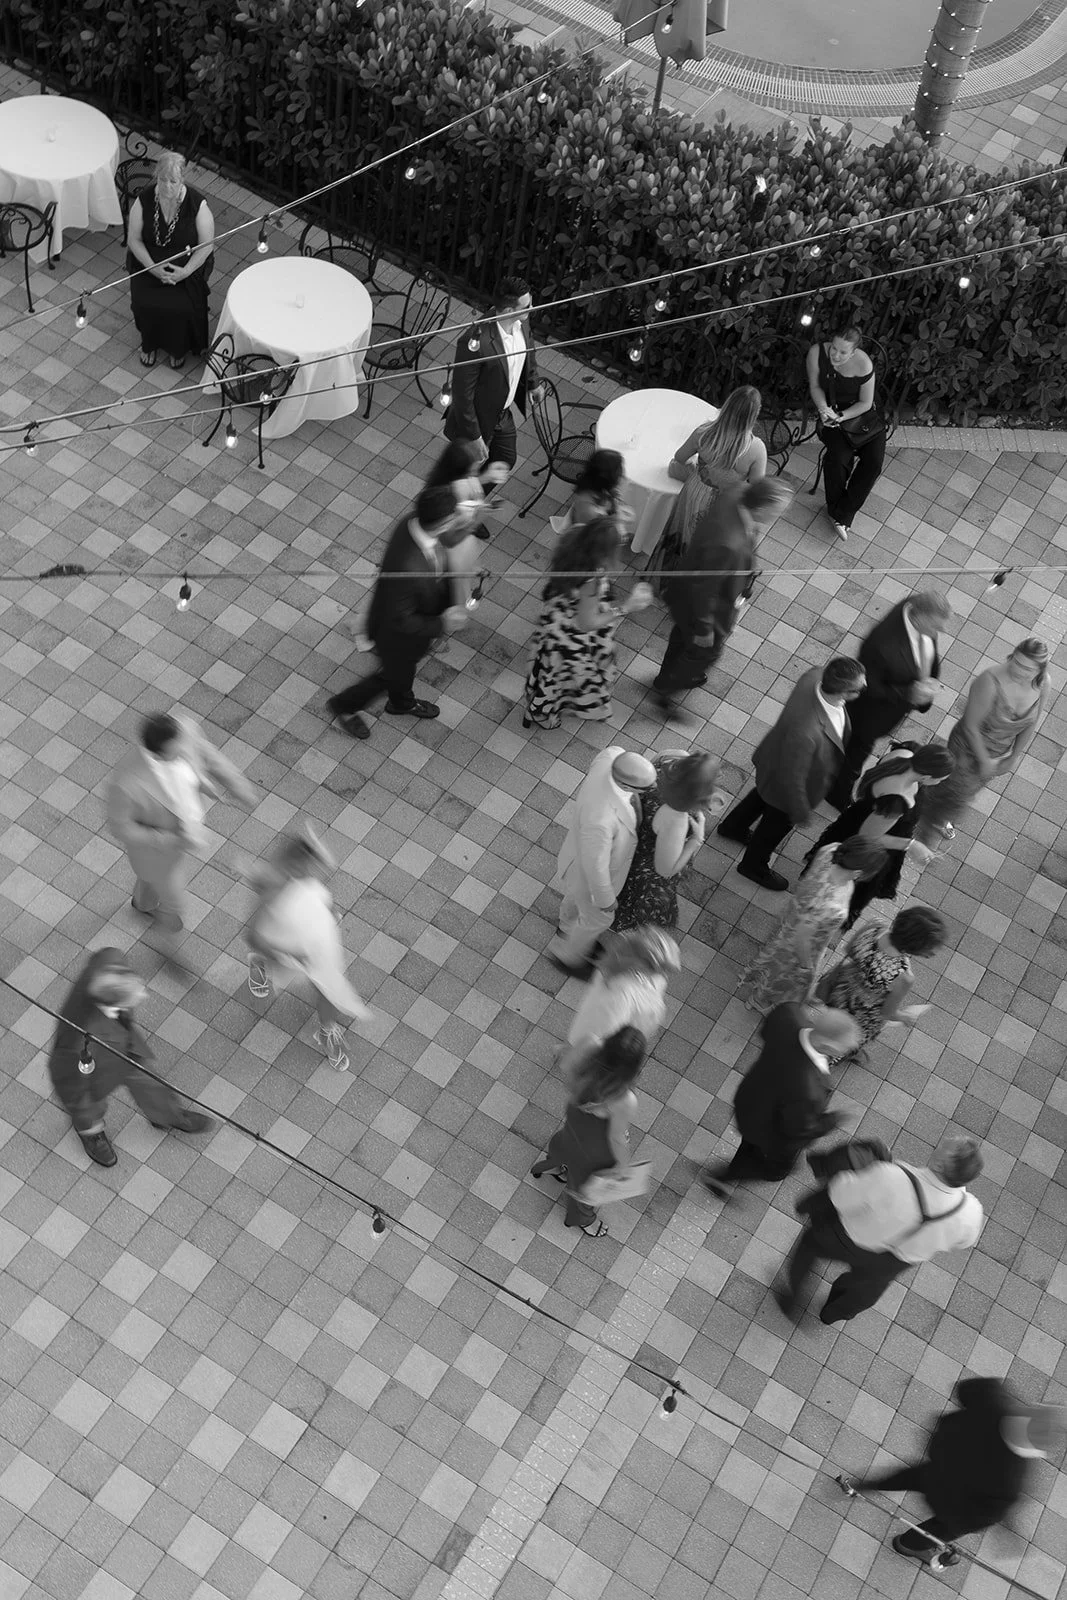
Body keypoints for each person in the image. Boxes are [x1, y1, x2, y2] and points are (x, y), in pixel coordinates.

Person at [844, 1381, 1065, 1567]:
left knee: (907, 1477)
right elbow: (986, 1516)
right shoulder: (1013, 1478)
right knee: (940, 1529)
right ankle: (908, 1545)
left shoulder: (994, 1403)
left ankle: (864, 1485)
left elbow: (968, 1388)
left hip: (938, 1466)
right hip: (954, 1504)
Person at [777, 1135, 984, 1324]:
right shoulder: (971, 1213)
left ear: (939, 1165)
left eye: (944, 1144)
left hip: (846, 1238)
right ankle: (833, 1313)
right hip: (894, 1262)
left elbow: (840, 1196)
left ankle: (793, 1297)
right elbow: (964, 1242)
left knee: (809, 1245)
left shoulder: (891, 1175)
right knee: (863, 1290)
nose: (942, 1141)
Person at [326, 485, 475, 738]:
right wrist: (442, 623)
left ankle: (401, 701)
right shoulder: (407, 567)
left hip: (406, 624)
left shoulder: (413, 523)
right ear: (442, 522)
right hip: (396, 637)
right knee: (390, 676)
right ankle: (344, 705)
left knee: (401, 674)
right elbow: (401, 620)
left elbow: (440, 555)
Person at [47, 948, 212, 1168]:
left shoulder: (109, 965)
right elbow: (70, 1086)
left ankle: (167, 1114)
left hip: (122, 1045)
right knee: (87, 1104)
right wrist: (85, 1117)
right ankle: (91, 1131)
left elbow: (107, 957)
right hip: (94, 1065)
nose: (139, 997)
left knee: (148, 1081)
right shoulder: (77, 1041)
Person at [717, 656, 867, 892]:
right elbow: (793, 779)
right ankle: (753, 865)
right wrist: (799, 811)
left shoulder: (814, 677)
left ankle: (733, 827)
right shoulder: (807, 731)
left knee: (760, 796)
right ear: (844, 693)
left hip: (776, 760)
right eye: (860, 687)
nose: (865, 688)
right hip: (789, 783)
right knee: (773, 826)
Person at [653, 478, 794, 715]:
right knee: (706, 651)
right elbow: (704, 590)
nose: (780, 516)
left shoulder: (737, 492)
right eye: (777, 512)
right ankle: (667, 689)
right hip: (700, 608)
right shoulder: (728, 545)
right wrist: (704, 629)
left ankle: (665, 677)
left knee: (680, 639)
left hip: (684, 593)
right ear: (760, 509)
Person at [106, 710, 256, 933]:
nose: (181, 753)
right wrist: (169, 839)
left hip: (185, 829)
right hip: (157, 850)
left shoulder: (184, 729)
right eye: (173, 753)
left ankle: (144, 903)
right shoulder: (125, 784)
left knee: (150, 882)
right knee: (175, 901)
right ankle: (166, 939)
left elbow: (207, 755)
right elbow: (121, 828)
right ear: (155, 754)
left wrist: (237, 785)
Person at [244, 826, 372, 1073]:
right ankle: (260, 963)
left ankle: (326, 1030)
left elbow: (319, 896)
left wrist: (329, 913)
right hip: (286, 945)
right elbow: (253, 935)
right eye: (311, 864)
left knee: (329, 988)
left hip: (315, 946)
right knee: (301, 974)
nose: (316, 870)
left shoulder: (306, 878)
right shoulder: (272, 887)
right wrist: (288, 954)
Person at [702, 1003, 862, 1196]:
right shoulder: (808, 1090)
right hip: (772, 1131)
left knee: (750, 1143)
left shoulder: (788, 1014)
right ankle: (724, 1175)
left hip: (751, 1101)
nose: (843, 1054)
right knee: (777, 1170)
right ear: (826, 1046)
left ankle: (728, 1173)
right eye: (842, 1050)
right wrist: (836, 1118)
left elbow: (766, 1031)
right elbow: (801, 1130)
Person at [915, 637, 1051, 847]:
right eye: (1016, 661)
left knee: (960, 791)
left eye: (1028, 669)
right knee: (953, 790)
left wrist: (1013, 756)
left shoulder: (1043, 684)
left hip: (997, 753)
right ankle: (925, 827)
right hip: (968, 750)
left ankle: (932, 811)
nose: (1018, 670)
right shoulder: (989, 682)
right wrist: (985, 761)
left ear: (1040, 670)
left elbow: (1031, 723)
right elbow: (970, 726)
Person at [523, 517, 653, 730]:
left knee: (550, 673)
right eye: (618, 543)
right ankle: (545, 712)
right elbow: (586, 623)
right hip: (573, 637)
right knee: (566, 680)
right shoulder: (590, 581)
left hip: (558, 616)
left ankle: (541, 708)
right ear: (603, 551)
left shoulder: (575, 534)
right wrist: (627, 606)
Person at [806, 743, 954, 929]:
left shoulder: (904, 753)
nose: (940, 783)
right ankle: (837, 911)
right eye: (940, 779)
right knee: (860, 883)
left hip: (859, 815)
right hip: (872, 838)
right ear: (925, 776)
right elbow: (867, 837)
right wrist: (912, 845)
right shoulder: (897, 801)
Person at [828, 590, 952, 811]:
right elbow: (869, 686)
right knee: (854, 756)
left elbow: (929, 653)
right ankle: (836, 794)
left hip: (896, 703)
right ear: (918, 616)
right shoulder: (881, 644)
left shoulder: (914, 611)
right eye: (935, 625)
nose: (941, 631)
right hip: (869, 716)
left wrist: (928, 682)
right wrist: (908, 694)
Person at [738, 836, 890, 1012]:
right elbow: (802, 938)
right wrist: (806, 966)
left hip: (791, 920)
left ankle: (757, 990)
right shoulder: (832, 904)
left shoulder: (831, 849)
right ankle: (761, 1002)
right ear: (859, 872)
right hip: (801, 948)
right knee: (783, 977)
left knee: (772, 961)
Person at [548, 747, 657, 973]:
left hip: (575, 856)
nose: (653, 789)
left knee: (573, 898)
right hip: (586, 876)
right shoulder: (601, 819)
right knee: (598, 919)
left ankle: (567, 927)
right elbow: (595, 866)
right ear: (627, 787)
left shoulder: (611, 755)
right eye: (647, 787)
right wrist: (606, 899)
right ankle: (568, 957)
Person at [531, 1024, 647, 1236]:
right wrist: (622, 1167)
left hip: (576, 1113)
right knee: (585, 1183)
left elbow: (566, 1064)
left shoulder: (590, 1042)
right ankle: (581, 1219)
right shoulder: (623, 1098)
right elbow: (616, 1138)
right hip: (597, 1140)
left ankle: (553, 1166)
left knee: (566, 1142)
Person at [655, 385, 767, 575]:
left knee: (683, 536)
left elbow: (679, 457)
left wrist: (698, 470)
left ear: (727, 405)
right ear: (754, 415)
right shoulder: (756, 449)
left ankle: (671, 576)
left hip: (694, 492)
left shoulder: (704, 432)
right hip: (725, 504)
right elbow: (758, 490)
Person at [614, 751, 729, 931]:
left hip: (639, 835)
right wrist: (695, 840)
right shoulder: (676, 821)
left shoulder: (662, 769)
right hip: (647, 862)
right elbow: (665, 869)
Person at [817, 906, 949, 1060]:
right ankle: (835, 1056)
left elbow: (849, 949)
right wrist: (905, 1017)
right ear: (918, 948)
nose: (933, 953)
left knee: (833, 1025)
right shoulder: (903, 975)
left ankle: (823, 1039)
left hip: (840, 991)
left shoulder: (875, 926)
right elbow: (888, 1013)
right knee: (847, 1038)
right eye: (931, 949)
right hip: (862, 1014)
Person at [443, 274, 544, 476]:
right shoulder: (474, 343)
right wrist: (474, 436)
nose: (531, 308)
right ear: (508, 310)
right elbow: (463, 395)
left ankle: (474, 501)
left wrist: (533, 382)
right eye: (526, 306)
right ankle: (458, 502)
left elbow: (528, 349)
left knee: (505, 460)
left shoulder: (521, 320)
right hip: (477, 421)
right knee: (462, 473)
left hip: (502, 415)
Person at [127, 151, 215, 370]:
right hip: (149, 262)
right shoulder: (144, 200)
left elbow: (206, 246)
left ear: (182, 180)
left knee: (181, 307)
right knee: (143, 301)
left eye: (173, 181)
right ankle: (149, 343)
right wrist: (153, 268)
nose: (167, 187)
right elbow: (134, 240)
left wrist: (185, 273)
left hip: (184, 266)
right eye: (162, 180)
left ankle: (178, 347)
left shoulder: (197, 205)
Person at [560, 927, 680, 1074]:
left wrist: (570, 1051)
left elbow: (595, 1033)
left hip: (605, 1044)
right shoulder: (655, 978)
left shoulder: (618, 992)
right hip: (633, 1029)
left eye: (626, 946)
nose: (621, 941)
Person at [806, 321, 885, 540]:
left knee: (874, 463)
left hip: (861, 416)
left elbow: (866, 403)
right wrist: (824, 410)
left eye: (843, 352)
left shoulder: (864, 364)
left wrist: (842, 417)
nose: (836, 355)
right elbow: (815, 386)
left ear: (854, 352)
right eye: (834, 348)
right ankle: (838, 512)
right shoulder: (816, 354)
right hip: (830, 411)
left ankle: (843, 512)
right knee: (838, 458)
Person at [548, 449, 632, 537]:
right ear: (608, 478)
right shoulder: (589, 510)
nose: (622, 475)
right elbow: (597, 535)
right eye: (619, 472)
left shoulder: (597, 486)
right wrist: (618, 519)